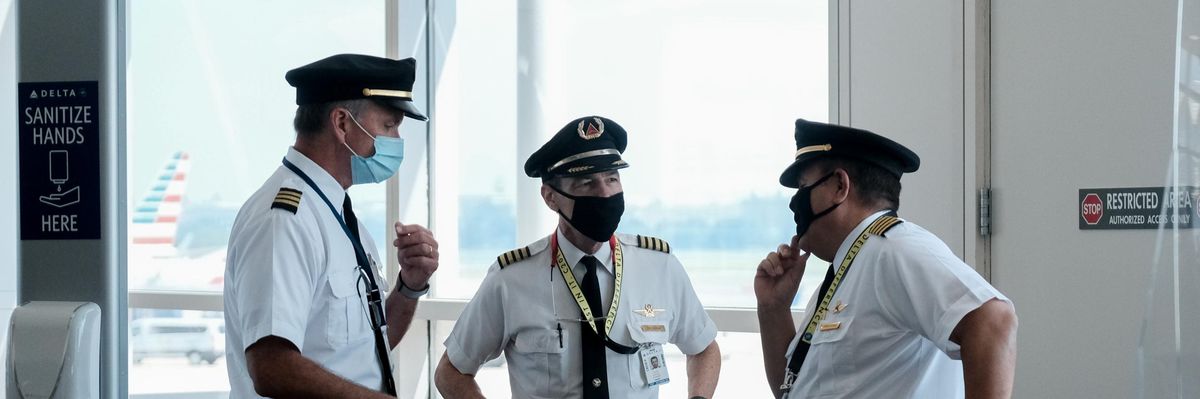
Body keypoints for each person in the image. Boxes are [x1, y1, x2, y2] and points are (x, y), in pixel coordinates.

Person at [434, 116, 721, 399]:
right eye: (586, 183)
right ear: (550, 197)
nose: (605, 193)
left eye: (612, 179)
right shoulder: (510, 279)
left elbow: (703, 347)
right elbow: (451, 371)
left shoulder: (659, 266)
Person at [223, 54, 440, 398]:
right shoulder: (284, 220)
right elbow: (271, 365)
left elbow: (364, 346)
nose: (397, 139)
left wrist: (410, 286)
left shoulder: (334, 211)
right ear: (341, 123)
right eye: (389, 125)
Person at [755, 119, 1018, 398]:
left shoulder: (894, 251)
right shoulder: (846, 271)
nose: (795, 201)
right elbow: (791, 387)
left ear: (839, 187)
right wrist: (773, 308)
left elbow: (993, 319)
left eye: (804, 185)